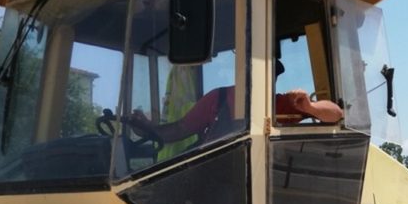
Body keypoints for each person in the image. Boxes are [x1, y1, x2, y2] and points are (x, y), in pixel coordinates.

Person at [125, 85, 343, 148]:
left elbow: (335, 114)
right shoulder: (217, 99)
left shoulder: (281, 104)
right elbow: (179, 130)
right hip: (211, 183)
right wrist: (148, 128)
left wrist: (311, 107)